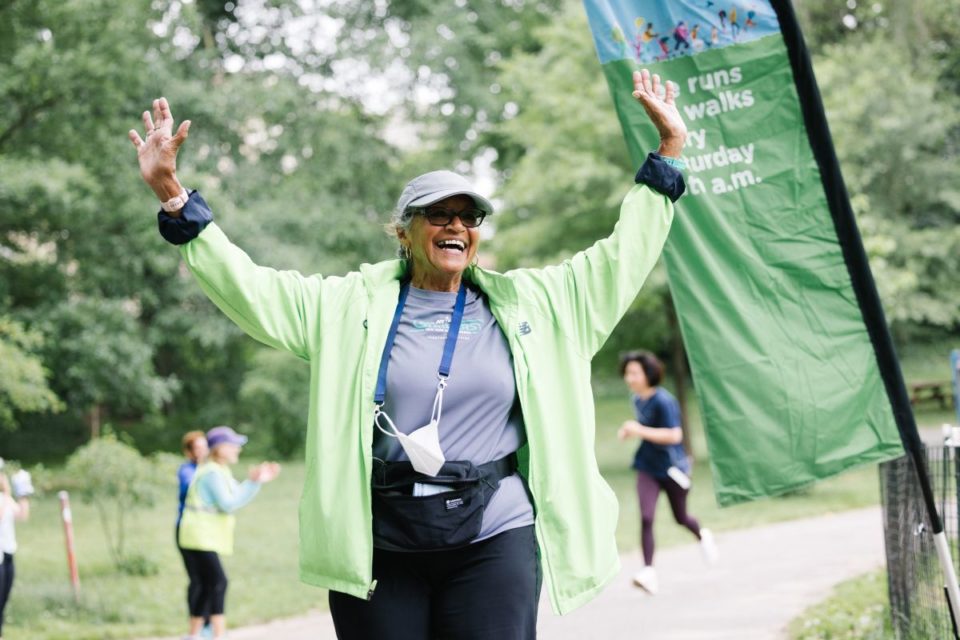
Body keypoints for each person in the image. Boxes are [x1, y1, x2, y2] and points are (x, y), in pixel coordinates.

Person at [128, 68, 688, 638]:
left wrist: (667, 154)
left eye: (468, 217)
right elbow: (253, 289)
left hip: (495, 532)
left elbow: (620, 258)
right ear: (405, 231)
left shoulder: (537, 307)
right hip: (380, 540)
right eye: (438, 214)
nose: (456, 226)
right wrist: (175, 198)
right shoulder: (345, 307)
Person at [617, 351, 717, 595]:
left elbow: (674, 435)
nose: (629, 378)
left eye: (634, 373)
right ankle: (648, 572)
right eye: (627, 373)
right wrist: (633, 431)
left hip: (673, 469)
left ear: (648, 374)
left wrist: (638, 429)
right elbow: (648, 430)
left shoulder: (664, 401)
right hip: (647, 466)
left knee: (681, 517)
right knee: (647, 517)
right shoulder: (637, 399)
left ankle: (702, 534)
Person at [176, 426, 280, 640]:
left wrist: (255, 481)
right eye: (233, 445)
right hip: (198, 537)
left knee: (207, 584)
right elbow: (229, 503)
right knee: (218, 582)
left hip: (200, 537)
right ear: (220, 449)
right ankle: (217, 634)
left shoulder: (219, 470)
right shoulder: (212, 472)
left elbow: (237, 493)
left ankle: (196, 635)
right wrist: (254, 482)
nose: (237, 450)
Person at [176, 431, 210, 634]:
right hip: (186, 530)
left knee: (211, 580)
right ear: (189, 451)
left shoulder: (210, 469)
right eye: (197, 448)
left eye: (204, 446)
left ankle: (206, 625)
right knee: (198, 580)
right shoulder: (186, 470)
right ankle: (198, 625)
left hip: (205, 530)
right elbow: (189, 487)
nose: (202, 451)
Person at [0, 464, 33, 640]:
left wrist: (22, 492)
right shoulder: (4, 498)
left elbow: (22, 515)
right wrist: (6, 492)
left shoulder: (4, 498)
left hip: (7, 554)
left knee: (3, 601)